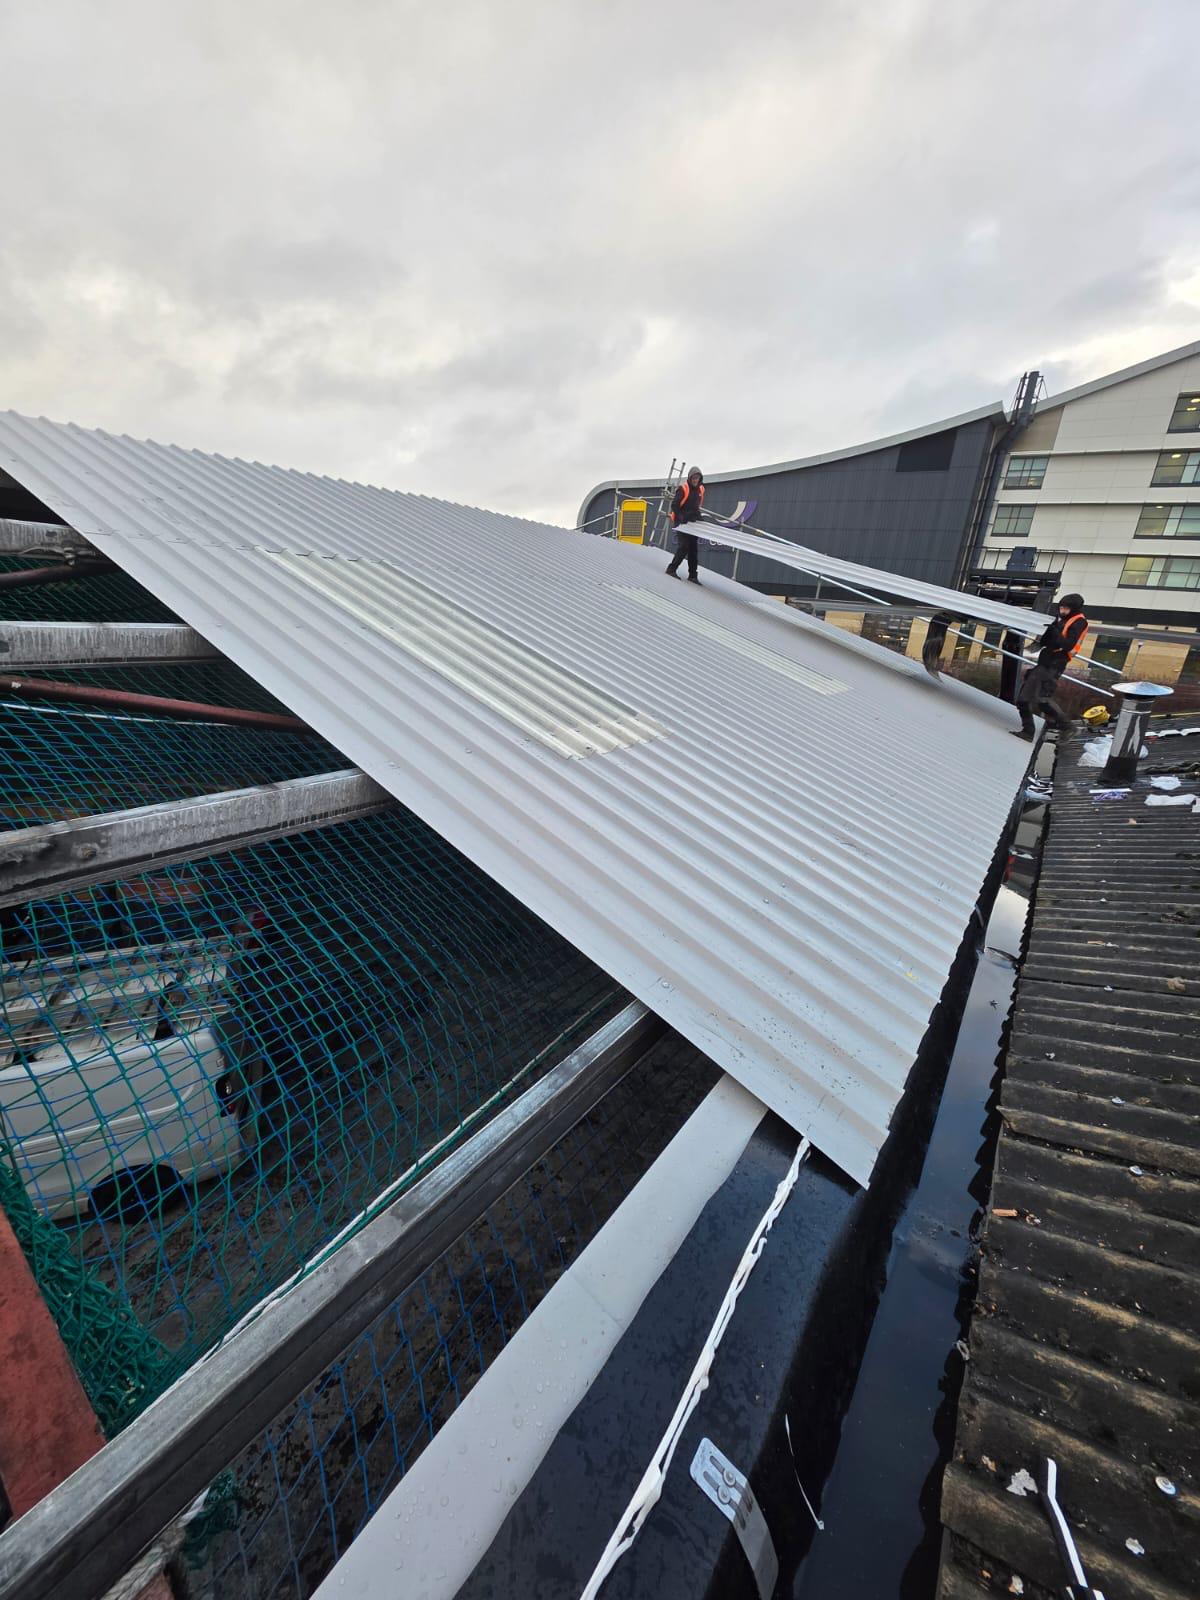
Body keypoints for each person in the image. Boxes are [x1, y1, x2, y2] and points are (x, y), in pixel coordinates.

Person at [1013, 593, 1088, 741]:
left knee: (1041, 699)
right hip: (1045, 662)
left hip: (1055, 663)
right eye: (1061, 607)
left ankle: (1067, 727)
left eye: (1066, 608)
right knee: (1024, 700)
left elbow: (1067, 645)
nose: (1062, 611)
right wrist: (1046, 634)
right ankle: (1028, 731)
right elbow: (1048, 641)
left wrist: (1054, 631)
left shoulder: (1079, 622)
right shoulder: (1061, 619)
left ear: (1073, 609)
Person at [666, 467, 705, 583]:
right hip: (681, 521)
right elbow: (674, 505)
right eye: (694, 478)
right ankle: (671, 569)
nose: (695, 480)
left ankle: (693, 576)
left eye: (697, 478)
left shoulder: (701, 489)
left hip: (692, 522)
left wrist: (700, 518)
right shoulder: (683, 489)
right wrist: (681, 517)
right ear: (690, 478)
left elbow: (696, 507)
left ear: (700, 479)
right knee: (684, 546)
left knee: (693, 548)